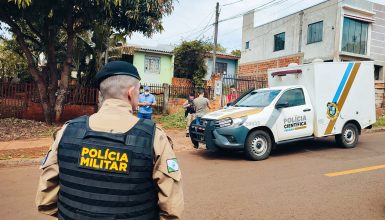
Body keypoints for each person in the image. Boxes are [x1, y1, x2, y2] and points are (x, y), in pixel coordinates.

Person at [36, 61, 184, 220]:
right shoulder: (154, 137)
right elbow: (171, 208)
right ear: (131, 92)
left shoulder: (67, 131)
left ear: (101, 94)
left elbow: (45, 200)